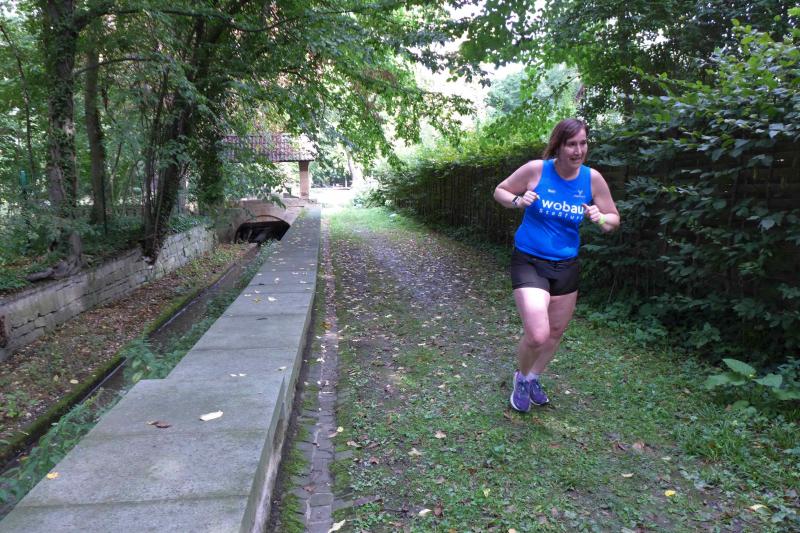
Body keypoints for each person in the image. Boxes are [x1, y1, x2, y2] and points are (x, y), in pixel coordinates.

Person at [493, 118, 620, 412]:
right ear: (558, 146)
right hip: (530, 260)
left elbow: (613, 219)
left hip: (566, 264)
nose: (579, 150)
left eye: (583, 143)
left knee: (555, 331)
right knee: (538, 334)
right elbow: (500, 191)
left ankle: (533, 377)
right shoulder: (537, 170)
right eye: (571, 144)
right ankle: (521, 377)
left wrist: (600, 217)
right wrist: (518, 201)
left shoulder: (592, 179)